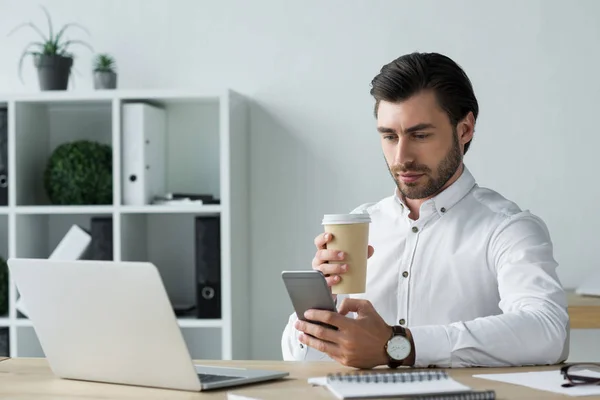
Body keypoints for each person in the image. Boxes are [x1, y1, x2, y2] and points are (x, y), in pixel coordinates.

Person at [280, 52, 569, 369]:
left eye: (420, 135)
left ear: (464, 130)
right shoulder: (363, 224)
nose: (401, 157)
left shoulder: (508, 228)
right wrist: (324, 300)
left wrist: (399, 345)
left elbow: (548, 332)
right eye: (390, 136)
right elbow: (300, 358)